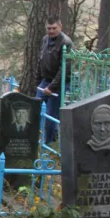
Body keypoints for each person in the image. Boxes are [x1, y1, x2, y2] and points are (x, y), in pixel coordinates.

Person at [35, 15, 72, 144]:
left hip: (59, 84)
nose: (51, 31)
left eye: (54, 28)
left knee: (51, 115)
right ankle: (39, 138)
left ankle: (49, 143)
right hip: (45, 80)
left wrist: (51, 87)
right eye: (49, 28)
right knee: (36, 109)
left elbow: (64, 69)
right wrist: (38, 81)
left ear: (60, 27)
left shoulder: (65, 43)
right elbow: (41, 60)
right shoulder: (45, 39)